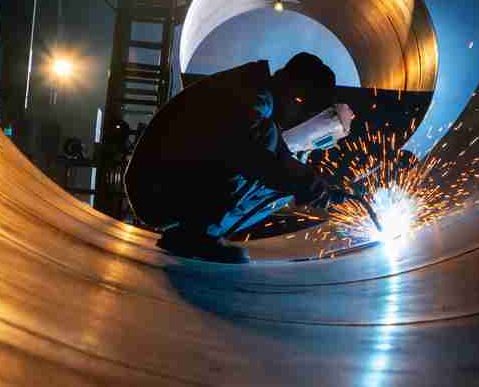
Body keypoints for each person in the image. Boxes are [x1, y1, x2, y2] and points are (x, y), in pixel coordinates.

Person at [124, 52, 347, 263]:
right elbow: (251, 156)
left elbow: (280, 161)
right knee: (269, 149)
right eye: (302, 110)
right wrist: (303, 181)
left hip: (158, 186)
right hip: (154, 191)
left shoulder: (255, 93)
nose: (297, 118)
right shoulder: (251, 96)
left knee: (280, 163)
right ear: (296, 96)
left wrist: (309, 182)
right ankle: (194, 235)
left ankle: (197, 232)